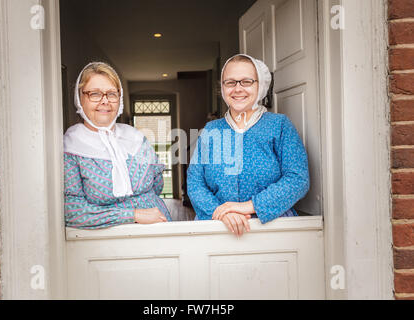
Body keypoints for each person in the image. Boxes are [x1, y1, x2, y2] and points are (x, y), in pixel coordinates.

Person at [187, 54, 309, 236]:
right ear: (222, 87)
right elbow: (195, 183)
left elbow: (298, 179)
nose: (238, 89)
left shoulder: (279, 126)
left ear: (260, 86)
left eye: (246, 81)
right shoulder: (210, 130)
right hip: (217, 227)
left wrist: (247, 207)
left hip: (272, 229)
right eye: (230, 82)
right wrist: (221, 213)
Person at [64, 62, 171, 229]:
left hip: (159, 229)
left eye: (112, 94)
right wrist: (132, 215)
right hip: (108, 245)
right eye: (95, 94)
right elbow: (72, 212)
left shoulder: (135, 138)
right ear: (80, 98)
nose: (105, 101)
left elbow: (157, 185)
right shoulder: (71, 147)